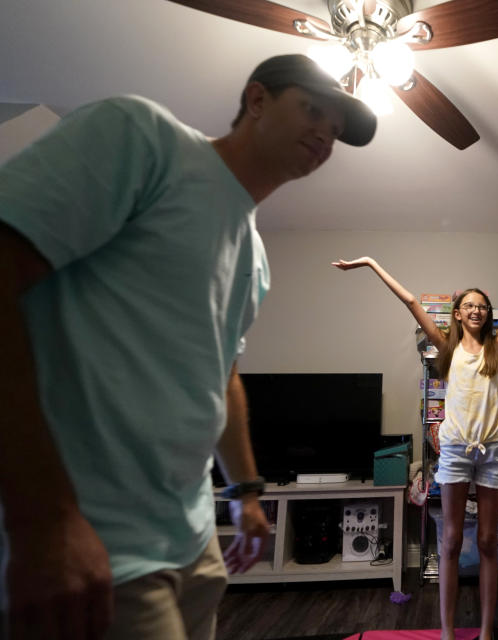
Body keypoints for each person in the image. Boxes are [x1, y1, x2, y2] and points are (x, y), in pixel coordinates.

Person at [0, 54, 376, 640]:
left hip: (191, 538)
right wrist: (43, 522)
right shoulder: (141, 139)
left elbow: (221, 375)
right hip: (96, 536)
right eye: (312, 110)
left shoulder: (254, 256)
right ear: (257, 100)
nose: (325, 134)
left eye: (336, 129)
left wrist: (247, 492)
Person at [332, 256, 498, 640]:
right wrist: (371, 264)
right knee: (453, 540)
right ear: (457, 313)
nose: (476, 310)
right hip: (456, 450)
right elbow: (410, 301)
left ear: (487, 314)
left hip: (492, 450)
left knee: (489, 540)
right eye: (469, 305)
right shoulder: (446, 347)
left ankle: (487, 631)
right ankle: (447, 631)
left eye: (482, 305)